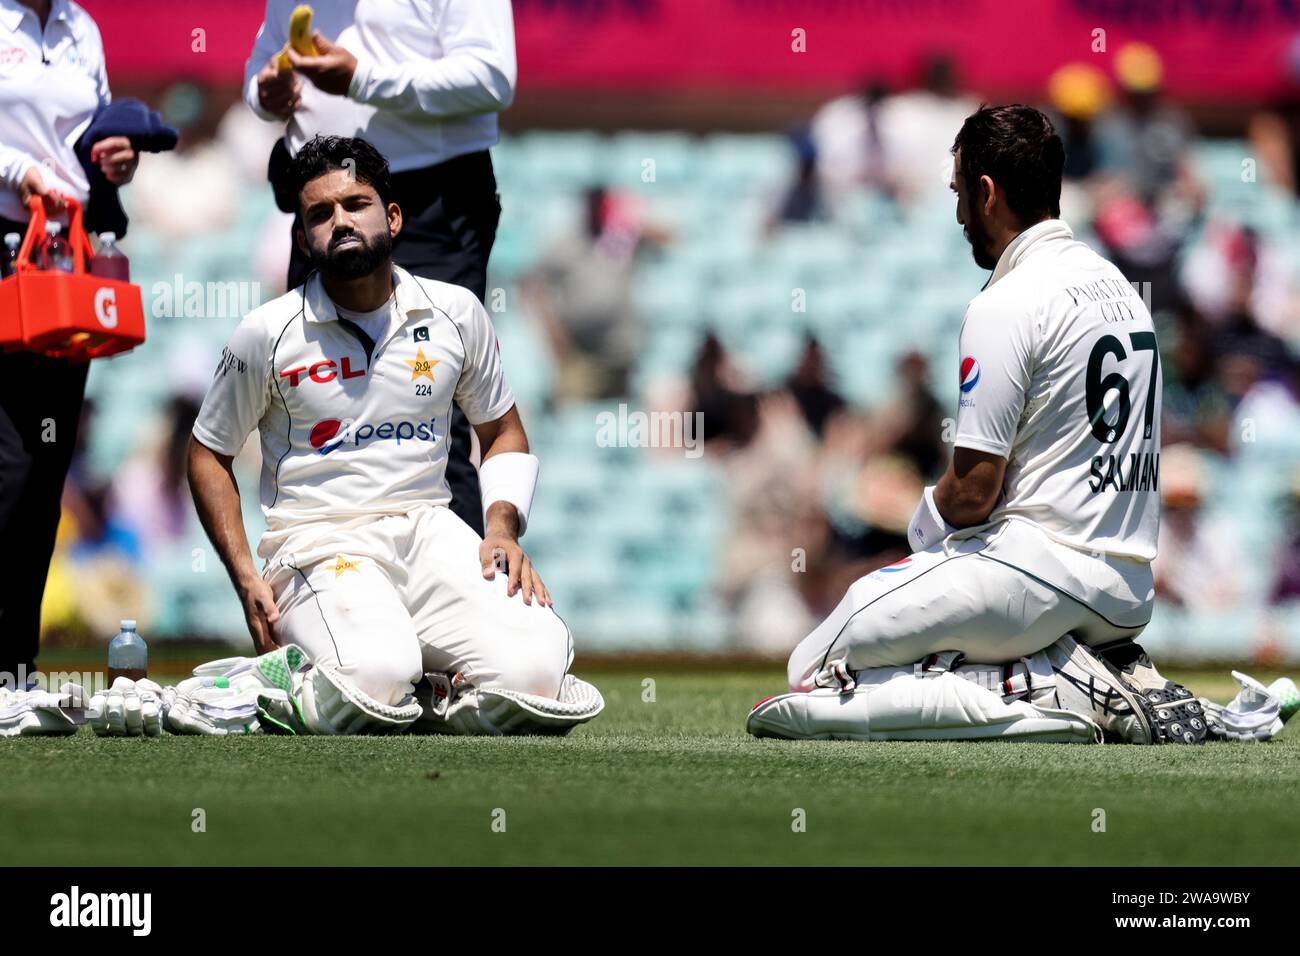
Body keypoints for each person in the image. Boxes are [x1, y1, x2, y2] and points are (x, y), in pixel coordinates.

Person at [88, 137, 602, 738]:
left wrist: (500, 528)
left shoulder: (456, 313)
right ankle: (273, 680)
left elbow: (503, 431)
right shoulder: (267, 333)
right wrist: (246, 577)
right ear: (304, 239)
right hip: (318, 545)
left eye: (355, 204)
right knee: (378, 672)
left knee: (540, 671)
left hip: (430, 531)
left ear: (393, 216)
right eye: (319, 214)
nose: (340, 222)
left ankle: (419, 689)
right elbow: (207, 454)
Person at [749, 105, 1214, 746]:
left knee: (812, 668)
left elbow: (972, 495)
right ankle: (1064, 670)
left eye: (961, 193)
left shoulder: (1006, 302)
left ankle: (1046, 687)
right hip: (1129, 590)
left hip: (1038, 576)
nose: (961, 214)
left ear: (987, 192)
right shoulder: (1120, 288)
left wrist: (921, 525)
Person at [245, 0, 515, 536]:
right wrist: (266, 94)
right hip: (321, 201)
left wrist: (365, 80)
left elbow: (491, 77)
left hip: (430, 201)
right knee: (316, 408)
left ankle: (449, 596)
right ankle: (326, 586)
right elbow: (259, 76)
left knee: (437, 414)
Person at [0, 0, 138, 689]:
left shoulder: (83, 27)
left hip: (62, 259)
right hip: (4, 242)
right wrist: (16, 170)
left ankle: (15, 677)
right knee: (8, 470)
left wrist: (114, 157)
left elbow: (94, 136)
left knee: (44, 476)